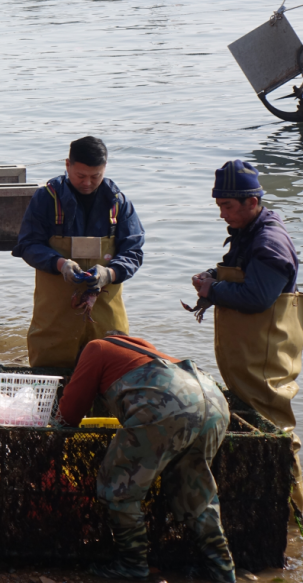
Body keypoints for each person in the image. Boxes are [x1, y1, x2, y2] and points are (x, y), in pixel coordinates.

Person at [57, 334, 235, 582]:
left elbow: (69, 414)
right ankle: (221, 570)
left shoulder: (94, 348)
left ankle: (132, 565)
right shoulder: (142, 352)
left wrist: (55, 424)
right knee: (196, 491)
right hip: (213, 399)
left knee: (117, 486)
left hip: (168, 400)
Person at [190, 159, 303, 511]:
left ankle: (297, 511)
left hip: (265, 361)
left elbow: (257, 298)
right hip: (249, 358)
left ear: (252, 202)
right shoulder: (249, 231)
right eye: (219, 205)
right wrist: (213, 276)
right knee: (257, 429)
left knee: (277, 435)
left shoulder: (270, 241)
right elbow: (243, 275)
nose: (222, 214)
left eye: (227, 206)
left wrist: (213, 290)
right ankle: (274, 506)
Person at [12, 136, 144, 367]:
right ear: (67, 165)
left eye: (96, 176)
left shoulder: (119, 203)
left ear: (105, 169)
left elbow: (133, 251)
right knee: (52, 377)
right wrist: (60, 264)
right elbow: (27, 244)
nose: (87, 183)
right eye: (80, 176)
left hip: (105, 315)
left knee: (112, 368)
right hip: (55, 317)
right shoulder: (46, 199)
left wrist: (109, 274)